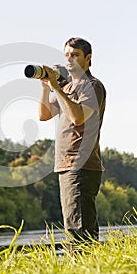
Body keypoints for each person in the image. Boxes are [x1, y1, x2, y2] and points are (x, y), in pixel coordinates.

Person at [38, 37, 106, 246]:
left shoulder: (92, 86)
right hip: (66, 165)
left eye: (75, 55)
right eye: (67, 55)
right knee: (74, 223)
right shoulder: (67, 88)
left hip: (81, 164)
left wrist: (57, 88)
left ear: (88, 58)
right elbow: (44, 114)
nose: (70, 59)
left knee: (79, 230)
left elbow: (78, 117)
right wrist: (47, 86)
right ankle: (88, 272)